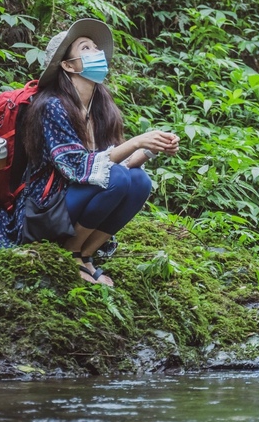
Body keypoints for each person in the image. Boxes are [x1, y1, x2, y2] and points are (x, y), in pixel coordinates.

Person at [20, 18, 179, 286]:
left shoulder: (99, 109)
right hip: (46, 208)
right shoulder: (53, 107)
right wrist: (138, 140)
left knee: (140, 181)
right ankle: (70, 253)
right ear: (68, 66)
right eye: (85, 48)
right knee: (115, 177)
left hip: (77, 200)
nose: (97, 53)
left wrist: (153, 148)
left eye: (96, 47)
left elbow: (119, 164)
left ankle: (86, 254)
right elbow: (77, 168)